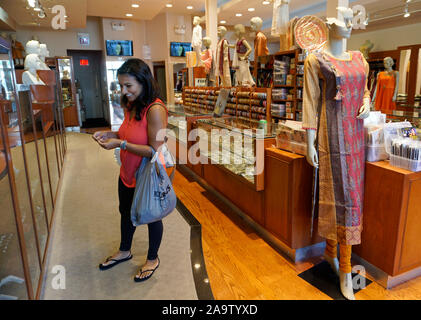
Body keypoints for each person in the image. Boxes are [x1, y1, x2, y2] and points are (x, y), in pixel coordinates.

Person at [93, 58, 168, 282]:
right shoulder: (131, 105)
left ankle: (153, 259)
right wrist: (112, 134)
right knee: (125, 212)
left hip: (147, 176)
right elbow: (127, 133)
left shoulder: (156, 110)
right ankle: (125, 251)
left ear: (143, 82)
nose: (124, 91)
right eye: (121, 86)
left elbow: (154, 150)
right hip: (127, 173)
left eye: (129, 86)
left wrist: (121, 144)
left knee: (152, 216)